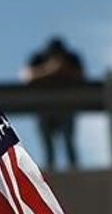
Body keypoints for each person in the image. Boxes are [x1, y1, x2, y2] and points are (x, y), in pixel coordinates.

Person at [23, 36, 85, 170]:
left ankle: (74, 170)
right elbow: (26, 76)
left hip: (66, 106)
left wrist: (65, 70)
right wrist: (49, 70)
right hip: (44, 107)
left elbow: (81, 77)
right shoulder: (39, 58)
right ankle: (51, 170)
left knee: (69, 141)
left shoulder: (71, 58)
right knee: (47, 146)